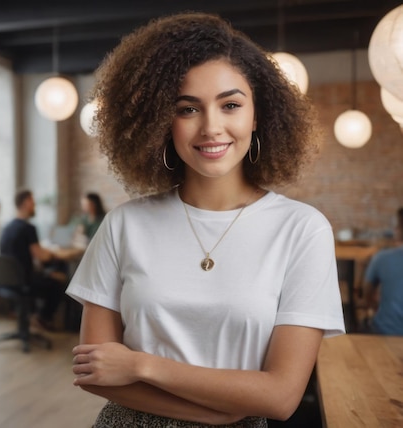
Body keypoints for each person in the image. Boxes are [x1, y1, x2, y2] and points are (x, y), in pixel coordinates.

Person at [66, 12, 345, 427]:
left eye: (230, 104)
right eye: (187, 109)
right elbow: (97, 373)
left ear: (258, 115)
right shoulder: (124, 225)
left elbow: (282, 395)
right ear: (161, 123)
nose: (212, 127)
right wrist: (223, 411)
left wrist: (143, 365)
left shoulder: (302, 230)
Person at [0, 189, 68, 331]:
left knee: (47, 275)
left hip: (5, 281)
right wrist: (52, 253)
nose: (34, 205)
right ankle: (42, 318)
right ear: (25, 203)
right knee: (58, 283)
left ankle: (32, 316)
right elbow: (41, 256)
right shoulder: (28, 228)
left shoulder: (7, 227)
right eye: (32, 202)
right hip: (24, 281)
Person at [363, 207, 403, 335]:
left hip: (386, 332)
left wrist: (374, 308)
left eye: (396, 226)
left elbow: (367, 293)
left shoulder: (382, 258)